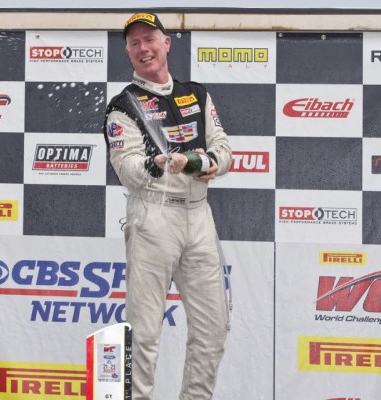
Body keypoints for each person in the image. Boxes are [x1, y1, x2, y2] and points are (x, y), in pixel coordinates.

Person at [103, 12, 232, 400]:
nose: (144, 49)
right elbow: (125, 168)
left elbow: (223, 149)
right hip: (153, 215)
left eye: (150, 39)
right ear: (127, 51)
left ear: (166, 43)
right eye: (135, 43)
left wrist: (204, 163)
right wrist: (157, 165)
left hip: (199, 216)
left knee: (213, 331)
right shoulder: (123, 105)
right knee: (144, 334)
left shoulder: (198, 93)